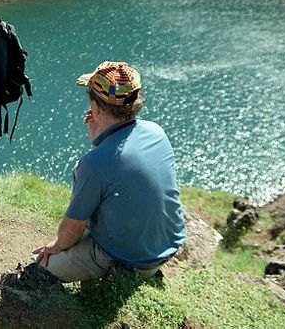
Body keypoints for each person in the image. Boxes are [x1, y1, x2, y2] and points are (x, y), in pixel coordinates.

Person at [33, 61, 187, 282]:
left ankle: (123, 274)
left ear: (95, 107)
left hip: (133, 260)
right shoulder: (156, 132)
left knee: (40, 264)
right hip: (168, 246)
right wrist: (98, 139)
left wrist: (55, 246)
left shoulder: (93, 164)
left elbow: (72, 231)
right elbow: (117, 164)